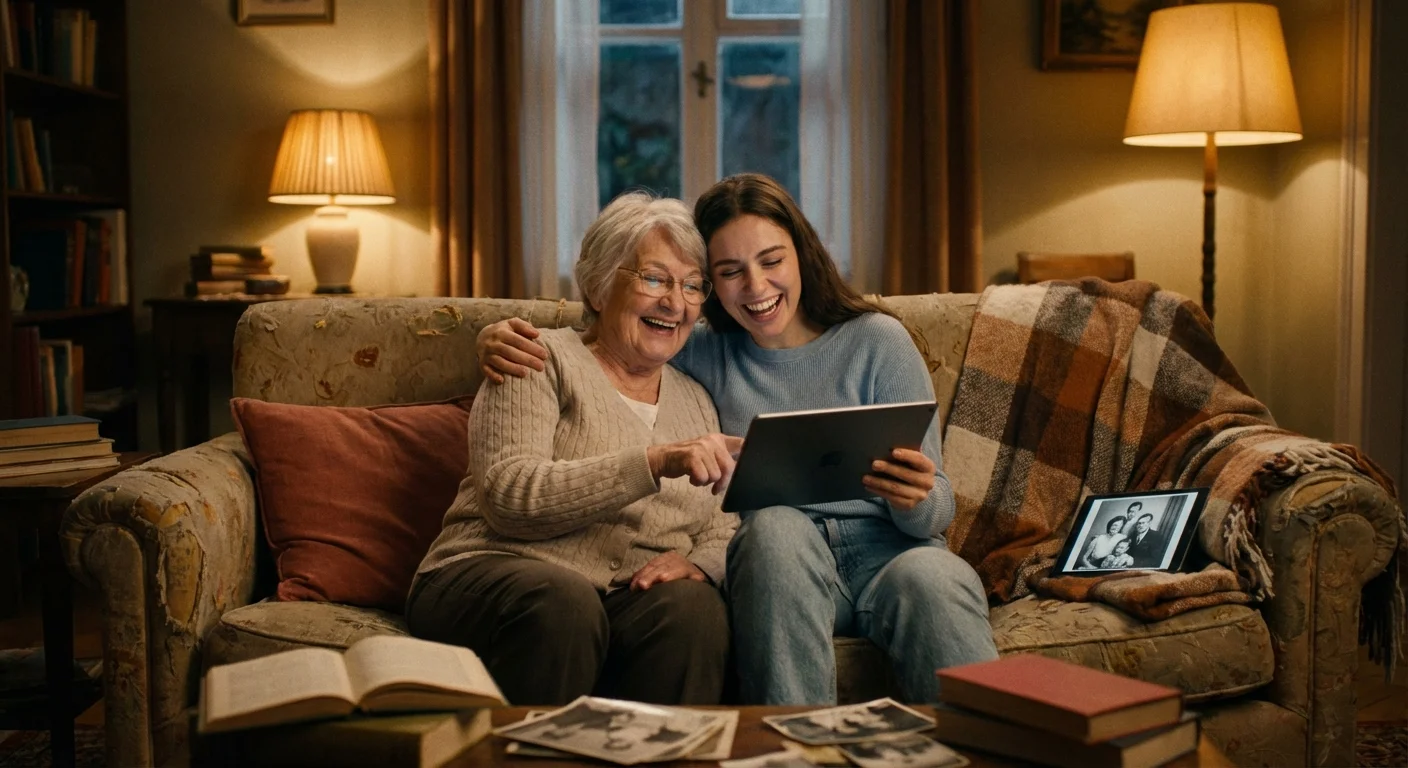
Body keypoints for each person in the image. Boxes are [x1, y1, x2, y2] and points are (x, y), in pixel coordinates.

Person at [476, 173, 997, 705]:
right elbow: (615, 326)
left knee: (937, 578)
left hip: (891, 556)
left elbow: (938, 511)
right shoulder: (702, 349)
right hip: (780, 562)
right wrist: (495, 335)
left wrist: (918, 498)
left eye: (772, 261)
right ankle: (794, 752)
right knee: (773, 526)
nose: (756, 287)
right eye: (729, 272)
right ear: (713, 286)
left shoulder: (879, 342)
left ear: (803, 256)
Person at [405, 192, 740, 707]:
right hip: (491, 572)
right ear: (599, 287)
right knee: (563, 602)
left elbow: (721, 519)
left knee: (694, 612)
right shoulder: (535, 358)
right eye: (654, 279)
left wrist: (702, 563)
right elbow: (508, 496)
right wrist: (653, 462)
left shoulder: (696, 399)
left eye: (692, 286)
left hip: (624, 596)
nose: (675, 302)